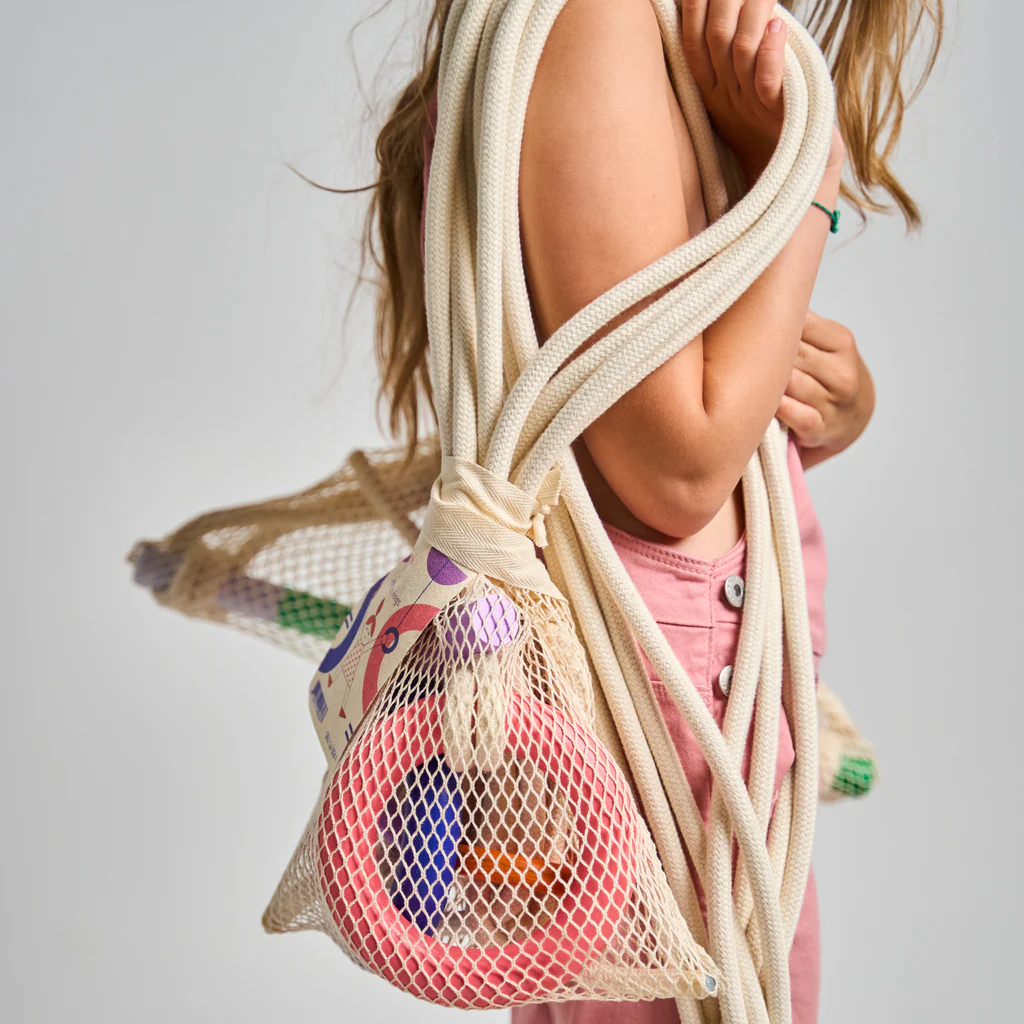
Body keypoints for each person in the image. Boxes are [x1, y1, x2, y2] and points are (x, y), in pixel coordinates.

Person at [354, 0, 942, 1020]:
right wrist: (806, 181)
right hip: (666, 726)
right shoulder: (599, 21)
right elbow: (675, 472)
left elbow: (646, 404)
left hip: (689, 713)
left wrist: (821, 410)